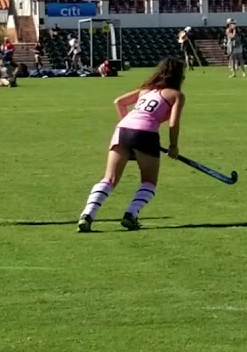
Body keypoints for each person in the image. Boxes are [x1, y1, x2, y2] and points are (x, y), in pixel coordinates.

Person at [77, 57, 186, 233]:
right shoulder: (176, 95)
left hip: (122, 130)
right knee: (149, 182)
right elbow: (174, 123)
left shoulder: (145, 90)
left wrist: (130, 127)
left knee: (109, 179)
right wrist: (173, 146)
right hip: (146, 134)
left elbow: (119, 102)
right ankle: (131, 214)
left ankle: (87, 215)